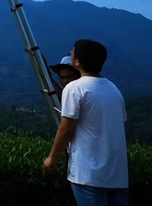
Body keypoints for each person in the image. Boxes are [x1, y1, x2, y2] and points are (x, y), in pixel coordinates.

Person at [44, 39, 129, 206]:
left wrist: (51, 159)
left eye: (72, 52)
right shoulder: (114, 90)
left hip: (88, 175)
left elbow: (66, 130)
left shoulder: (75, 88)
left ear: (77, 62)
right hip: (118, 176)